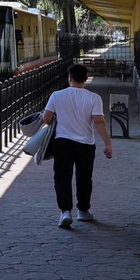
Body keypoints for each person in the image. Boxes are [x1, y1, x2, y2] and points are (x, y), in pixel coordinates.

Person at [42, 63, 112, 228]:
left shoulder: (57, 96)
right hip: (86, 144)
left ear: (70, 78)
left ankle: (65, 212)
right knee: (84, 178)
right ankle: (83, 211)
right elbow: (99, 121)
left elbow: (46, 119)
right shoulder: (94, 98)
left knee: (62, 178)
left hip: (62, 143)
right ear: (85, 79)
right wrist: (108, 143)